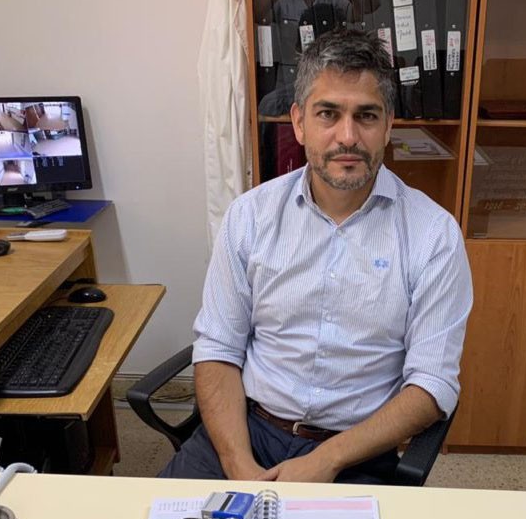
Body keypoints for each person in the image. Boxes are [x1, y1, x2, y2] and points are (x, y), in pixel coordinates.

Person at [160, 29, 472, 484]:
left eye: (366, 116)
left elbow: (432, 384)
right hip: (245, 431)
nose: (348, 136)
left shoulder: (434, 235)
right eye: (328, 113)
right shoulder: (250, 216)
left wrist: (327, 460)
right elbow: (219, 348)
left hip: (357, 450)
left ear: (388, 125)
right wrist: (238, 464)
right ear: (299, 122)